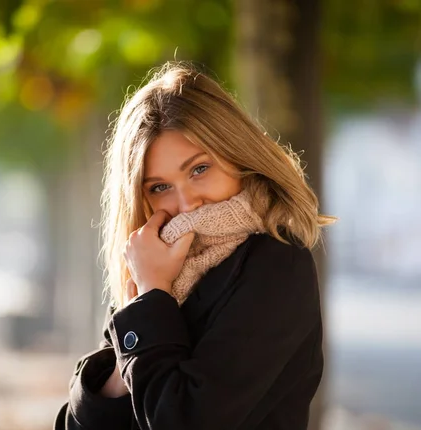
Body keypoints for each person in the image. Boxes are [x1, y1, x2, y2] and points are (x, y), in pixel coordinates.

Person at [54, 61, 335, 430]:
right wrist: (148, 305)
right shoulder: (159, 264)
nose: (187, 204)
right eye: (160, 187)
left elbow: (183, 420)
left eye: (199, 169)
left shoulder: (276, 264)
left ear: (237, 157)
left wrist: (153, 299)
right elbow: (75, 424)